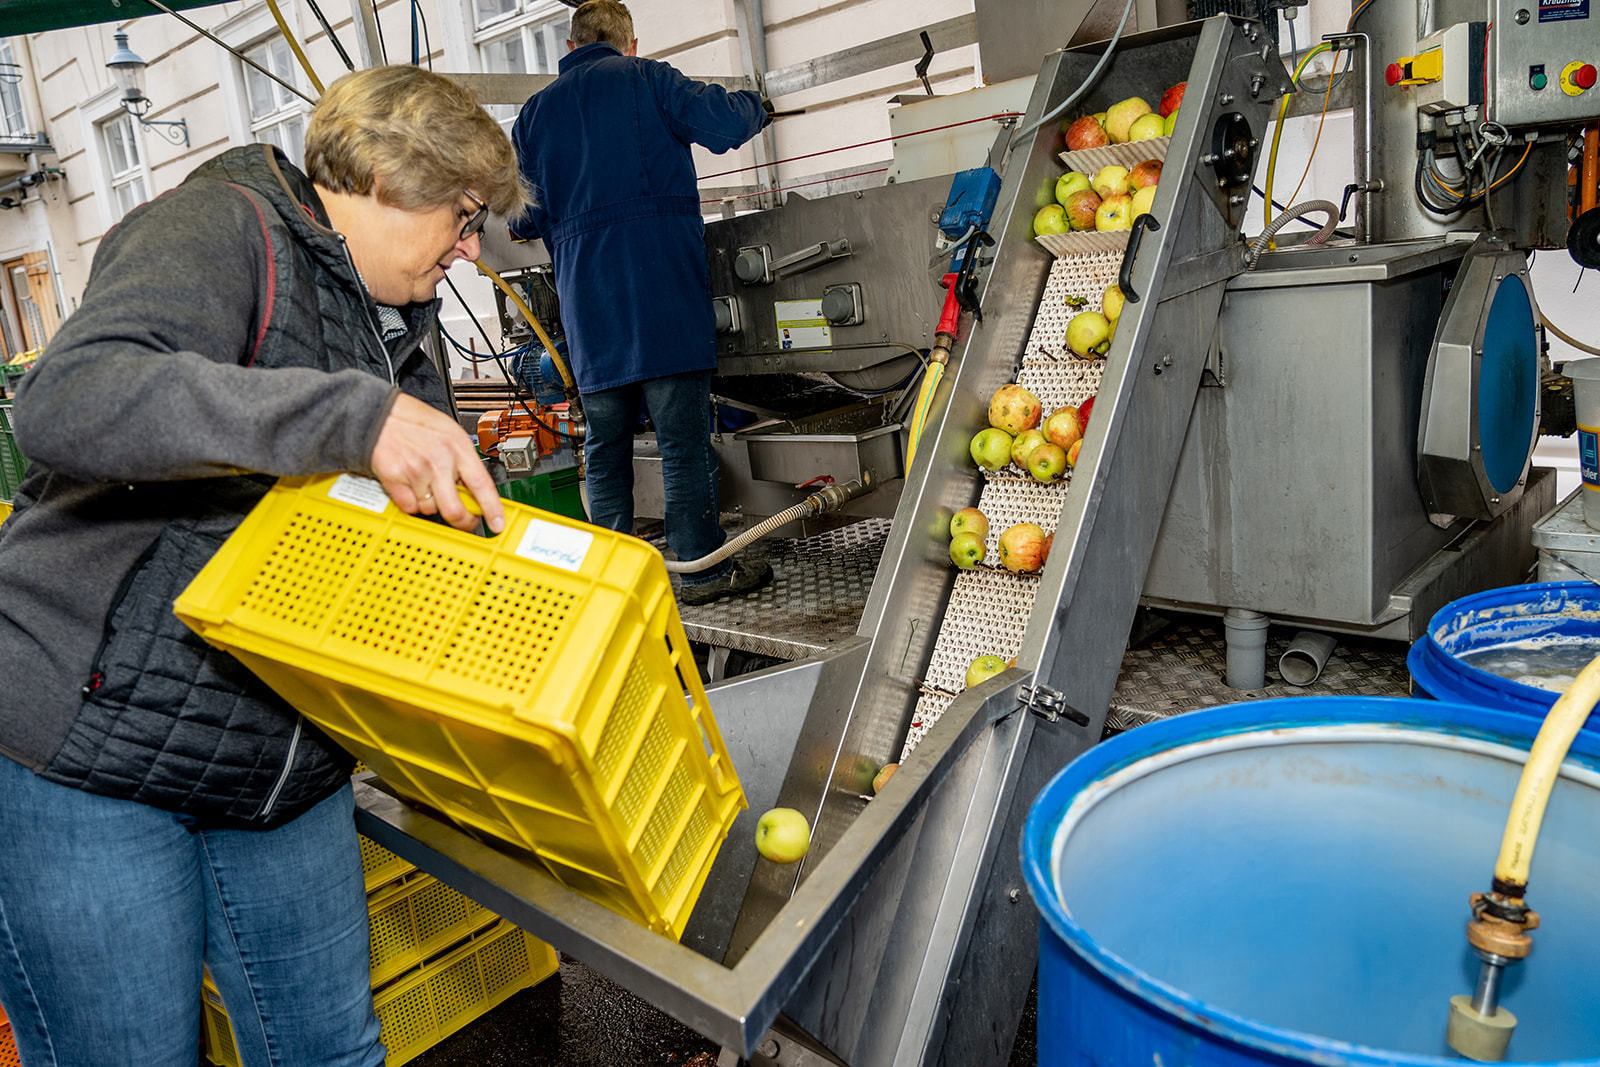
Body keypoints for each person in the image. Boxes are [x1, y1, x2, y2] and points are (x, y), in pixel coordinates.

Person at [0, 65, 525, 1067]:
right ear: (387, 174)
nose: (470, 248)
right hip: (89, 749)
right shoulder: (219, 226)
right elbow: (69, 399)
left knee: (331, 1049)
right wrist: (351, 418)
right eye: (464, 217)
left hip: (278, 753)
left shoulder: (399, 326)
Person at [509, 0, 775, 606]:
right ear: (629, 42)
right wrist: (758, 104)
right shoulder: (649, 78)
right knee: (682, 443)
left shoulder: (534, 115)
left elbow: (522, 217)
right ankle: (701, 572)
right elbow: (725, 125)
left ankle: (610, 582)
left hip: (589, 309)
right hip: (662, 295)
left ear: (572, 45)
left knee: (604, 448)